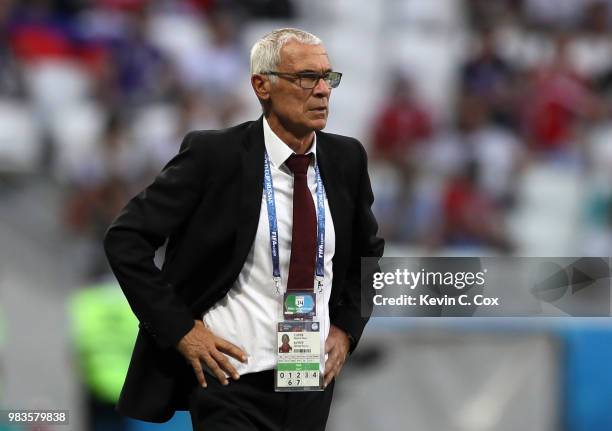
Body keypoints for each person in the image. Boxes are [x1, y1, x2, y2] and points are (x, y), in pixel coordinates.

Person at [103, 27, 384, 431]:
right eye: (307, 77)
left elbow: (368, 254)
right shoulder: (213, 157)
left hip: (308, 382)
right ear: (261, 85)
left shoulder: (347, 159)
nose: (323, 90)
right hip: (229, 381)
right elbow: (125, 239)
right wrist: (181, 330)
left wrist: (346, 329)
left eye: (328, 77)